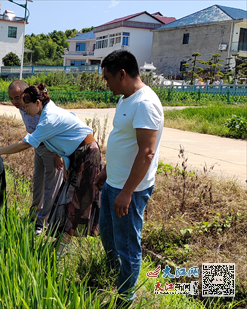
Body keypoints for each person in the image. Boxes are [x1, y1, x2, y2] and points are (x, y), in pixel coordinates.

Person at [0, 83, 102, 257]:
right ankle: (62, 246)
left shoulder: (49, 118)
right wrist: (69, 164)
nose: (25, 110)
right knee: (68, 199)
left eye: (26, 106)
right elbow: (68, 139)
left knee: (76, 201)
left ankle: (64, 248)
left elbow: (27, 143)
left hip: (86, 156)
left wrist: (0, 151)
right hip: (77, 155)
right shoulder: (48, 113)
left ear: (38, 102)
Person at [94, 50, 164, 302]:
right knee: (107, 234)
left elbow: (146, 152)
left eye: (107, 78)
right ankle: (114, 277)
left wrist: (126, 192)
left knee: (127, 246)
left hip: (131, 190)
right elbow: (122, 140)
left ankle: (124, 298)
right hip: (114, 182)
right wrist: (106, 172)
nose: (106, 83)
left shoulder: (145, 103)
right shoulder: (125, 98)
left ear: (122, 74)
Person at [8, 80, 63, 235]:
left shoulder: (43, 109)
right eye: (11, 98)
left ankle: (43, 223)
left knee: (50, 187)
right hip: (38, 147)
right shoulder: (23, 107)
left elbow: (56, 130)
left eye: (17, 98)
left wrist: (58, 155)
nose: (14, 102)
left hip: (52, 147)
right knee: (37, 183)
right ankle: (34, 216)